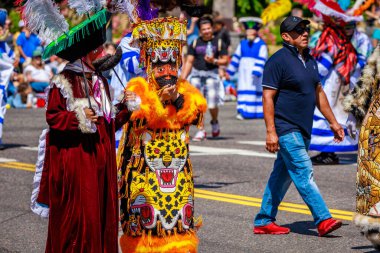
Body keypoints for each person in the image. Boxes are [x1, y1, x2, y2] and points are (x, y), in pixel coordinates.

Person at [19, 1, 130, 250]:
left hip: (101, 161)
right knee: (81, 219)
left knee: (101, 216)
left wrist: (125, 109)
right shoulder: (65, 80)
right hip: (78, 162)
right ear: (86, 54)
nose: (102, 54)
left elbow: (107, 123)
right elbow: (54, 117)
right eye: (98, 50)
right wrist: (79, 117)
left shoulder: (99, 80)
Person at [117, 13, 207, 252]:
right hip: (145, 172)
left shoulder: (184, 90)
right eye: (159, 65)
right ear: (148, 64)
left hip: (177, 174)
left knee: (178, 223)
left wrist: (176, 99)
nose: (166, 71)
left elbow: (196, 115)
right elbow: (137, 120)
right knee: (148, 224)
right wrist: (158, 99)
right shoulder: (137, 88)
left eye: (171, 65)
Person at [253, 16, 345, 236]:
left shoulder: (310, 60)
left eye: (305, 29)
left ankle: (264, 220)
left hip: (304, 128)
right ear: (286, 37)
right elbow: (268, 98)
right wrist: (271, 132)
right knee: (304, 172)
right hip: (286, 128)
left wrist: (333, 122)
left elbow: (318, 93)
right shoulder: (278, 61)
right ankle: (323, 219)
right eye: (298, 31)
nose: (304, 33)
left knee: (281, 176)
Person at [309, 1, 370, 165]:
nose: (348, 29)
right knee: (331, 114)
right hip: (335, 82)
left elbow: (366, 60)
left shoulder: (360, 38)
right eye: (345, 26)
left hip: (353, 81)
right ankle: (328, 151)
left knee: (351, 115)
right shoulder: (336, 39)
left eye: (351, 25)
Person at [344, 45, 380, 251]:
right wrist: (353, 111)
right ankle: (376, 231)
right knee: (373, 180)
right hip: (376, 125)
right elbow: (366, 80)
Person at [181, 16, 229, 141]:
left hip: (212, 75)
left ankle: (214, 121)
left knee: (212, 104)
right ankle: (201, 130)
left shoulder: (218, 42)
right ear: (200, 31)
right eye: (204, 29)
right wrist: (183, 79)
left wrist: (214, 60)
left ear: (212, 28)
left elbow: (225, 60)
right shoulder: (196, 42)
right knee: (197, 105)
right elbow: (189, 62)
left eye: (208, 28)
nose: (207, 31)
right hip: (197, 75)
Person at [226, 17, 268, 120]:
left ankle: (256, 112)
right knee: (243, 88)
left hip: (255, 73)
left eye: (251, 31)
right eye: (248, 31)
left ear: (256, 31)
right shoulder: (243, 43)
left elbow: (263, 58)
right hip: (243, 72)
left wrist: (257, 70)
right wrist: (229, 71)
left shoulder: (261, 44)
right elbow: (236, 57)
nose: (249, 33)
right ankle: (243, 111)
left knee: (254, 89)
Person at [0, 9, 14, 150]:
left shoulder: (4, 46)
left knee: (0, 112)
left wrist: (13, 65)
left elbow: (12, 61)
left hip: (1, 88)